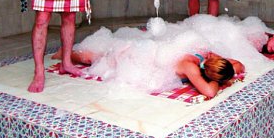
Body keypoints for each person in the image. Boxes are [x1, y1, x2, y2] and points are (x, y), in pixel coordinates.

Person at [71, 48, 244, 99]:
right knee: (96, 59)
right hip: (135, 59)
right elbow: (209, 92)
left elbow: (239, 65)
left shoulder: (206, 56)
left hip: (146, 55)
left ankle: (69, 53)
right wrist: (218, 81)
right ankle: (65, 54)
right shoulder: (191, 68)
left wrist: (222, 73)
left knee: (101, 56)